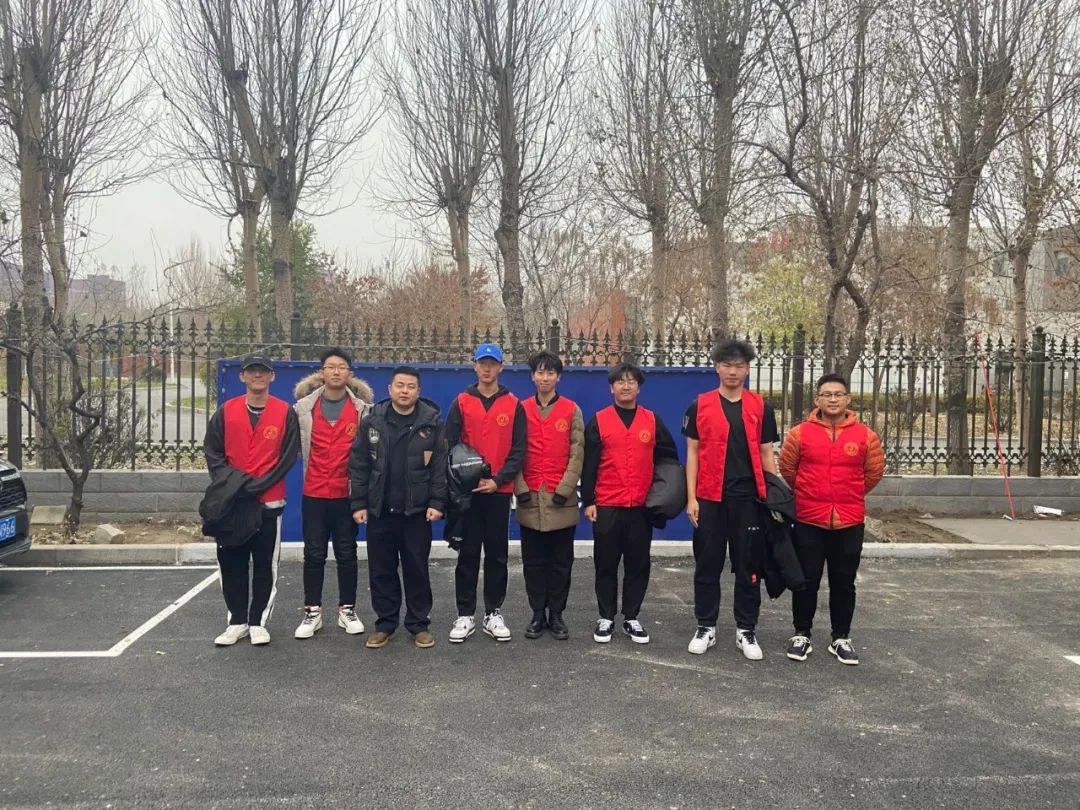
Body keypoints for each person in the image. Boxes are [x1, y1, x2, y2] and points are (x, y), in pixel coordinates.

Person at [683, 339, 780, 660]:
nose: (733, 371)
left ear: (747, 369)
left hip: (748, 499)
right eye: (727, 365)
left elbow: (766, 454)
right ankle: (705, 626)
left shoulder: (761, 407)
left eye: (739, 366)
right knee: (707, 564)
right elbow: (692, 453)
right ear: (716, 367)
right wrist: (691, 497)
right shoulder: (700, 405)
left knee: (749, 566)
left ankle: (746, 629)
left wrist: (774, 497)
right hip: (710, 498)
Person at [778, 373, 884, 665]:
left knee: (844, 581)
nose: (833, 399)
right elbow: (788, 469)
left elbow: (873, 473)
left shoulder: (865, 436)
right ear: (817, 400)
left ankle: (841, 637)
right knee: (806, 580)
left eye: (838, 394)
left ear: (848, 399)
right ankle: (801, 634)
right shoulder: (800, 434)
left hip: (849, 521)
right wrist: (811, 492)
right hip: (809, 519)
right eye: (827, 394)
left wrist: (848, 494)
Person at [203, 354, 299, 647]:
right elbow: (213, 452)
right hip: (231, 502)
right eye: (252, 371)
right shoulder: (226, 411)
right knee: (231, 562)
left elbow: (287, 457)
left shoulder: (285, 412)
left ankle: (258, 621)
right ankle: (237, 621)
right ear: (242, 376)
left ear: (272, 376)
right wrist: (234, 484)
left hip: (268, 502)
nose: (258, 375)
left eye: (263, 371)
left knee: (265, 564)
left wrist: (257, 486)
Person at [349, 366, 447, 649]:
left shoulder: (431, 423)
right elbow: (359, 465)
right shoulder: (372, 421)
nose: (405, 391)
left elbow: (439, 467)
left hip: (416, 512)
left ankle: (418, 624)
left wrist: (437, 502)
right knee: (381, 571)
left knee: (417, 570)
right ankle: (385, 624)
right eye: (400, 385)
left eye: (411, 386)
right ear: (390, 389)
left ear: (418, 391)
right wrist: (358, 503)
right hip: (380, 510)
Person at [581, 362, 678, 644]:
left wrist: (662, 497)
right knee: (605, 564)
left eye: (631, 381)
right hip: (607, 504)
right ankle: (606, 617)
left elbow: (668, 460)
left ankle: (631, 617)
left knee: (638, 564)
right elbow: (589, 464)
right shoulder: (599, 421)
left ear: (639, 387)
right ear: (611, 388)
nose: (626, 386)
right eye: (620, 381)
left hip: (641, 507)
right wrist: (589, 500)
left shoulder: (652, 421)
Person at [443, 343, 526, 643]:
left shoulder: (513, 404)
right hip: (468, 494)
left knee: (497, 554)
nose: (487, 368)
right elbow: (449, 445)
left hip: (498, 492)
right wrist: (460, 481)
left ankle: (493, 612)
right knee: (467, 553)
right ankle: (465, 614)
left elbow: (519, 450)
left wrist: (498, 480)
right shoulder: (462, 401)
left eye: (493, 363)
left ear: (501, 367)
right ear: (475, 366)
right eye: (483, 363)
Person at [292, 347, 373, 640]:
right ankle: (312, 612)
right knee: (313, 553)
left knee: (347, 553)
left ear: (350, 373)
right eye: (330, 366)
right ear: (322, 372)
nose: (336, 371)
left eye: (341, 367)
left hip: (346, 494)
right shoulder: (303, 408)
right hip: (314, 492)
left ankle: (347, 610)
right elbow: (295, 447)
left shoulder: (363, 410)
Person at [513, 351, 584, 640]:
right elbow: (513, 452)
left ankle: (556, 614)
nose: (545, 378)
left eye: (550, 373)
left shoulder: (571, 410)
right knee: (533, 562)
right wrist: (521, 489)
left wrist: (565, 489)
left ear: (558, 377)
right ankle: (537, 613)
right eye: (540, 372)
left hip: (560, 499)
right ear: (532, 376)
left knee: (560, 562)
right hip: (530, 497)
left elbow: (577, 453)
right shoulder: (521, 409)